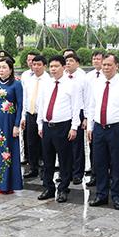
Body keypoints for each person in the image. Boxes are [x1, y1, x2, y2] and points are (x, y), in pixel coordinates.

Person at [87, 53, 119, 210]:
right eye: (104, 64)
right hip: (100, 127)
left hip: (117, 128)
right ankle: (101, 194)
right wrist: (90, 127)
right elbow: (92, 106)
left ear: (117, 66)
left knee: (117, 164)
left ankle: (117, 197)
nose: (106, 67)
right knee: (99, 163)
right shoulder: (97, 83)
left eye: (109, 65)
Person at [37, 55, 81, 202]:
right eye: (51, 67)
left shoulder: (71, 84)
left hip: (63, 126)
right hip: (47, 126)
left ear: (63, 67)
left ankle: (63, 188)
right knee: (47, 159)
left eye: (56, 66)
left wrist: (74, 127)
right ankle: (48, 188)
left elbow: (76, 107)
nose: (53, 69)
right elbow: (41, 105)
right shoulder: (47, 84)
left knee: (64, 159)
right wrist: (40, 124)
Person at [0, 57, 23, 194]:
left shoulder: (16, 85)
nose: (1, 70)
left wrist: (16, 125)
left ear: (10, 70)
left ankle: (8, 185)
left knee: (7, 153)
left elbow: (20, 106)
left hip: (9, 123)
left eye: (4, 68)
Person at [20, 54, 51, 179]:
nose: (36, 67)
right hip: (30, 114)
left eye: (39, 65)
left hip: (43, 116)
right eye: (34, 65)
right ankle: (33, 168)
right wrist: (23, 116)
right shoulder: (28, 80)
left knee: (44, 144)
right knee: (31, 143)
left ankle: (45, 170)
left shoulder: (49, 81)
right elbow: (25, 100)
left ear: (44, 66)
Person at [64, 51, 89, 185]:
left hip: (79, 112)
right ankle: (66, 172)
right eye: (66, 61)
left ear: (77, 63)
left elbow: (86, 98)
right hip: (66, 113)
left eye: (71, 61)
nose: (68, 63)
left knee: (77, 145)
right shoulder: (63, 77)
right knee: (65, 144)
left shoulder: (83, 78)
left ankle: (78, 173)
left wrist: (85, 117)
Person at [85, 50, 106, 187]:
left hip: (107, 119)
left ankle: (106, 175)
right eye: (94, 59)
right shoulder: (89, 76)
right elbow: (88, 100)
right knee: (94, 149)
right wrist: (87, 119)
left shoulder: (109, 77)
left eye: (99, 59)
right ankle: (94, 174)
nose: (96, 61)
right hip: (93, 116)